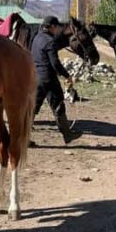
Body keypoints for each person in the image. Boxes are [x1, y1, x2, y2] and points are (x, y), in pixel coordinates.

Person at [31, 15, 82, 144]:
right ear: (52, 27)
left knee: (32, 108)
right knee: (58, 105)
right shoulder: (50, 41)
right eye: (56, 27)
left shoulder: (37, 38)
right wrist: (67, 75)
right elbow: (55, 63)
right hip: (48, 79)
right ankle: (67, 134)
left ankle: (23, 138)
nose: (57, 30)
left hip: (36, 78)